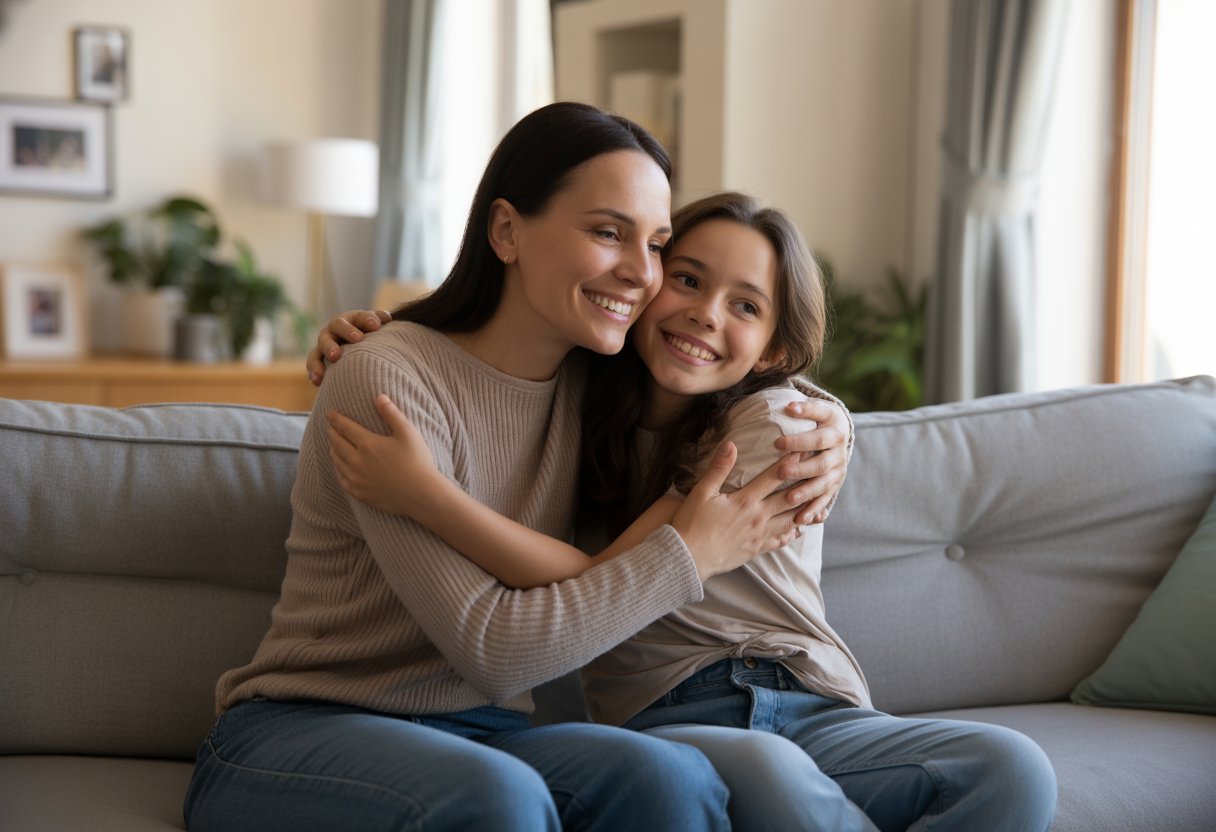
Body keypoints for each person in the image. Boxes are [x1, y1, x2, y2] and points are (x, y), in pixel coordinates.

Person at [185, 103, 853, 832]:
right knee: (497, 799)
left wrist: (830, 421)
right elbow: (496, 654)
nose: (642, 273)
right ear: (506, 230)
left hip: (487, 739)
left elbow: (728, 370)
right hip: (303, 733)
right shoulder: (387, 378)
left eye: (657, 244)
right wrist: (688, 554)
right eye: (608, 232)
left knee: (668, 775)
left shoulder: (596, 384)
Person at [320, 191, 1059, 832]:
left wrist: (430, 498)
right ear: (644, 285)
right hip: (671, 716)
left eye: (745, 305)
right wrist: (379, 331)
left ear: (773, 351)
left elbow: (606, 573)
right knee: (767, 769)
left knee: (1011, 767)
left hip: (812, 702)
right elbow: (494, 357)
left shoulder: (773, 425)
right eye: (687, 280)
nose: (706, 315)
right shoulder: (573, 409)